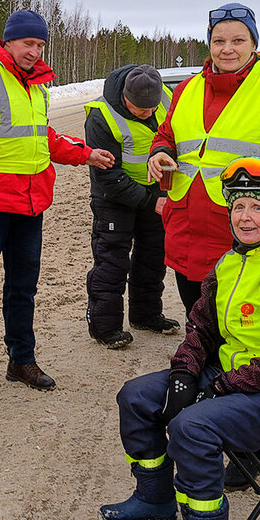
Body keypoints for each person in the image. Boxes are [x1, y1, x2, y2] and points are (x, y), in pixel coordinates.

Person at [97, 157, 260, 520]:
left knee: (192, 427)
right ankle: (155, 499)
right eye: (238, 206)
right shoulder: (229, 263)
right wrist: (185, 373)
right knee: (135, 397)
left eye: (257, 207)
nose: (245, 217)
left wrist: (219, 389)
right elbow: (200, 327)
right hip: (228, 379)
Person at [0, 9, 115, 400]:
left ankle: (20, 359)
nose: (35, 52)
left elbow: (42, 136)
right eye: (28, 43)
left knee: (23, 288)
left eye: (40, 45)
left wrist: (85, 154)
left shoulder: (37, 85)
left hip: (30, 203)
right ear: (7, 41)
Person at [147, 3, 260, 321]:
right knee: (197, 317)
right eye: (218, 41)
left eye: (238, 41)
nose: (227, 49)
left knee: (239, 325)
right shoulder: (187, 89)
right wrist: (160, 152)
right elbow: (166, 136)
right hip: (187, 232)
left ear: (254, 44)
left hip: (240, 236)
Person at [83, 64, 179, 349]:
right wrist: (152, 200)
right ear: (125, 96)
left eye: (150, 109)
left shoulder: (166, 98)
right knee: (112, 261)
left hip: (155, 191)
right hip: (113, 197)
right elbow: (108, 177)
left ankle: (146, 314)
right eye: (140, 109)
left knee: (153, 256)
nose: (148, 114)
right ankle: (105, 327)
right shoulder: (101, 117)